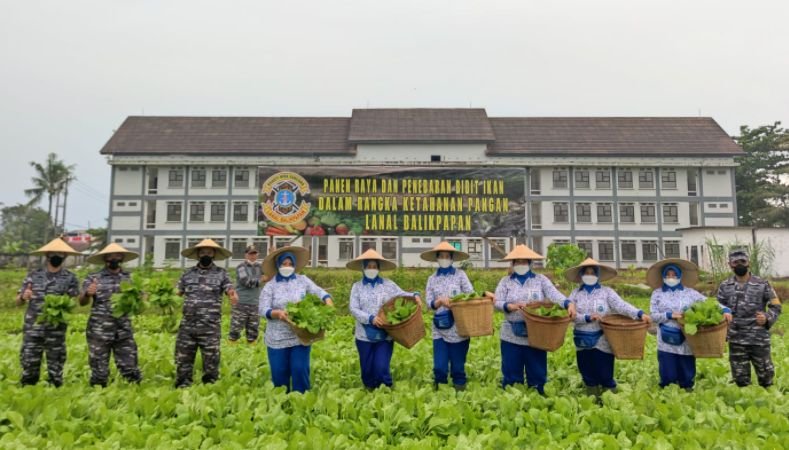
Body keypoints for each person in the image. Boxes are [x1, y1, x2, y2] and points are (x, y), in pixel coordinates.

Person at [493, 244, 576, 394]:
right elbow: (496, 302)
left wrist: (568, 303)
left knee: (537, 372)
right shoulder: (506, 281)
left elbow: (554, 295)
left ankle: (538, 397)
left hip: (537, 333)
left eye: (524, 261)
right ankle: (512, 400)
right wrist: (508, 306)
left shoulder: (540, 280)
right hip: (510, 334)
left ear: (530, 263)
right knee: (511, 372)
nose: (520, 265)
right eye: (517, 262)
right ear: (512, 264)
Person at [565, 258, 650, 396]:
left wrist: (639, 314)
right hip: (582, 340)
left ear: (598, 275)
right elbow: (570, 315)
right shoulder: (575, 294)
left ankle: (610, 399)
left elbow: (621, 305)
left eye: (593, 272)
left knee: (604, 372)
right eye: (586, 272)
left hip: (602, 340)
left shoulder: (607, 292)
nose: (589, 275)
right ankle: (592, 398)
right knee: (587, 372)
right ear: (581, 275)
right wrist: (587, 317)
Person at [648, 258, 732, 390]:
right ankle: (667, 394)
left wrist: (725, 309)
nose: (671, 277)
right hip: (665, 340)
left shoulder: (690, 293)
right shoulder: (657, 294)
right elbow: (653, 315)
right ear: (663, 276)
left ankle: (687, 391)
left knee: (686, 373)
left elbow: (708, 302)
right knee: (668, 373)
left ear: (680, 276)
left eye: (674, 275)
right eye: (668, 275)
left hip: (687, 338)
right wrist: (669, 315)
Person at [259, 246, 334, 393]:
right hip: (277, 337)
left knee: (300, 369)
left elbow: (318, 291)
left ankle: (302, 399)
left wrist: (327, 299)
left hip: (299, 335)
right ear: (278, 266)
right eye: (284, 264)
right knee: (279, 371)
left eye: (290, 264)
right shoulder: (270, 286)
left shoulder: (302, 280)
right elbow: (262, 308)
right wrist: (276, 313)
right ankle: (282, 401)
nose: (287, 267)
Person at [347, 249, 419, 390]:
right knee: (367, 370)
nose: (371, 269)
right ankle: (369, 392)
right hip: (363, 335)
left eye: (374, 267)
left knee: (381, 367)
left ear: (379, 268)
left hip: (385, 335)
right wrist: (371, 318)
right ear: (363, 268)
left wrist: (415, 294)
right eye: (368, 266)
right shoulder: (357, 287)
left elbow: (402, 294)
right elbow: (353, 308)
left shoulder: (388, 284)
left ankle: (386, 391)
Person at [16, 238, 80, 387]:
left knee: (56, 367)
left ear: (65, 256)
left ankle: (55, 394)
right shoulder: (33, 275)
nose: (57, 256)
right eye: (53, 253)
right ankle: (28, 392)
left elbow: (73, 302)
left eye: (60, 253)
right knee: (29, 365)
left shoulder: (70, 278)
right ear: (47, 255)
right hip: (33, 328)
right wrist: (23, 296)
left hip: (56, 329)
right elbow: (18, 302)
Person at [174, 239, 238, 388]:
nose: (206, 254)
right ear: (197, 254)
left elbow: (230, 288)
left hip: (210, 326)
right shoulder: (187, 274)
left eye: (209, 252)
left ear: (214, 254)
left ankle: (209, 388)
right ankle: (183, 386)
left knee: (211, 361)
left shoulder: (222, 274)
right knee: (183, 360)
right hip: (187, 326)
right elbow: (177, 293)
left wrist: (232, 295)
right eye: (203, 252)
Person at [80, 243, 143, 387]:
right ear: (105, 258)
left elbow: (138, 305)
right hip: (99, 331)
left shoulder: (130, 279)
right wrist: (88, 293)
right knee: (99, 373)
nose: (114, 258)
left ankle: (132, 397)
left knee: (130, 369)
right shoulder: (93, 278)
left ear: (122, 258)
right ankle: (99, 397)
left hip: (123, 330)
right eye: (110, 256)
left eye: (117, 255)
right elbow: (82, 302)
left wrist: (140, 299)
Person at [717, 249, 782, 387]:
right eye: (735, 262)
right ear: (730, 264)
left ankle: (769, 404)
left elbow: (776, 306)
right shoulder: (724, 286)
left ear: (749, 263)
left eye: (743, 261)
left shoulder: (762, 284)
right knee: (740, 380)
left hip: (758, 338)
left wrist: (766, 317)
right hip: (736, 339)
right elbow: (717, 309)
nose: (739, 264)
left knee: (766, 377)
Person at [421, 241, 474, 390]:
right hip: (440, 328)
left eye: (447, 256)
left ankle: (459, 391)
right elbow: (429, 303)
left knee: (458, 367)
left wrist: (455, 302)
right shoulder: (432, 279)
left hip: (460, 327)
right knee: (440, 367)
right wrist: (438, 302)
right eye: (441, 256)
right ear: (437, 259)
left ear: (452, 258)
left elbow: (471, 295)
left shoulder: (460, 275)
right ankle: (440, 393)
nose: (444, 258)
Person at [229, 244, 267, 344]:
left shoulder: (260, 267)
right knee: (236, 328)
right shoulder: (241, 267)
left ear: (257, 254)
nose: (252, 256)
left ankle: (251, 349)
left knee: (253, 328)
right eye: (250, 254)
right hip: (241, 302)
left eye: (254, 253)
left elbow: (270, 273)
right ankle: (232, 348)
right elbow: (246, 282)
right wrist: (261, 279)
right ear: (246, 255)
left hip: (255, 302)